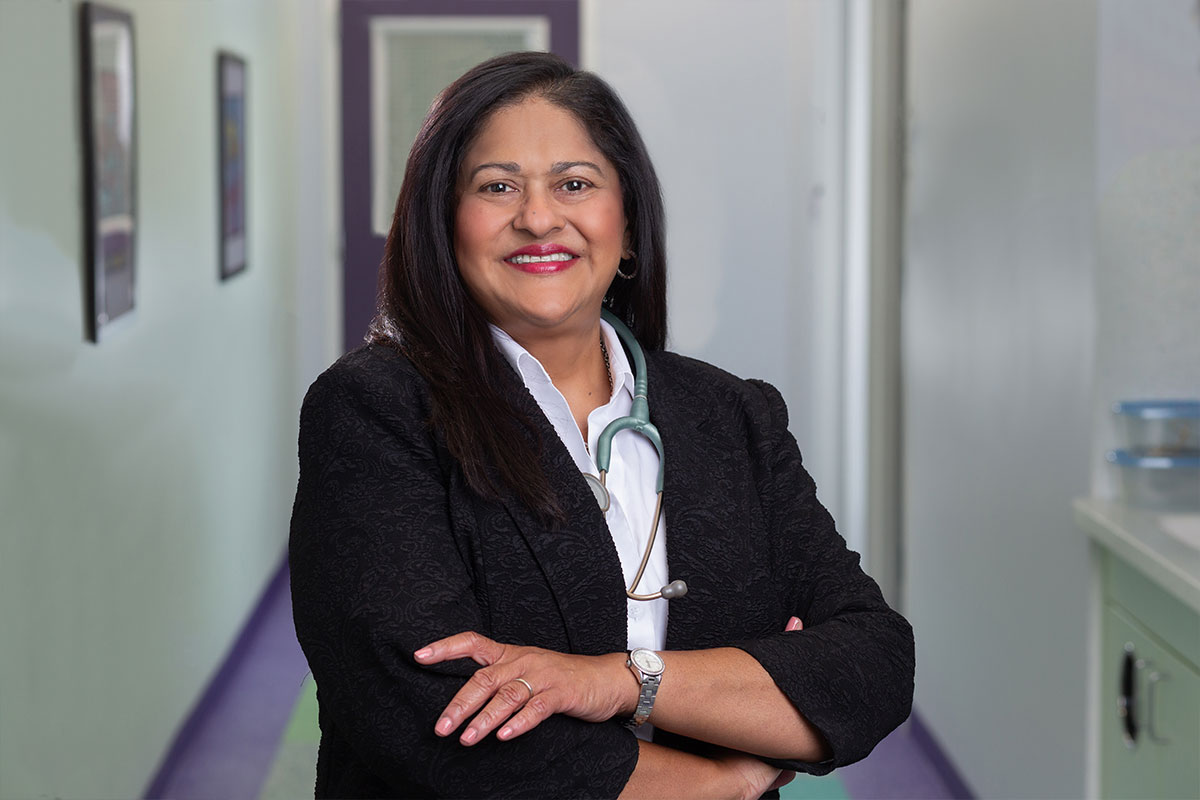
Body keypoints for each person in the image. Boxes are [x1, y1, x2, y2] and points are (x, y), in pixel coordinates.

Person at [289, 51, 914, 800]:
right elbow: (430, 721)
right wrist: (723, 783)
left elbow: (873, 664)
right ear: (443, 225)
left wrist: (621, 681)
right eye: (497, 186)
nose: (538, 217)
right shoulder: (374, 411)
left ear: (629, 223)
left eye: (575, 184)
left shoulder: (734, 415)